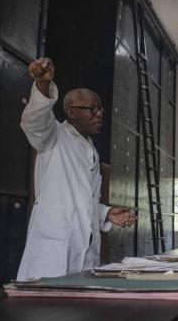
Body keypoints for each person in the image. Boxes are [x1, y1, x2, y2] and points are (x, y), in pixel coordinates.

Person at [17, 58, 137, 281]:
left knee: (79, 312)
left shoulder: (90, 148)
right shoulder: (53, 136)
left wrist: (106, 213)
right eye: (93, 109)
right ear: (72, 112)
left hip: (83, 253)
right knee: (44, 314)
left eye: (100, 109)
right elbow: (34, 120)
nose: (100, 114)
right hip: (54, 252)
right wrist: (42, 83)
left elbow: (81, 202)